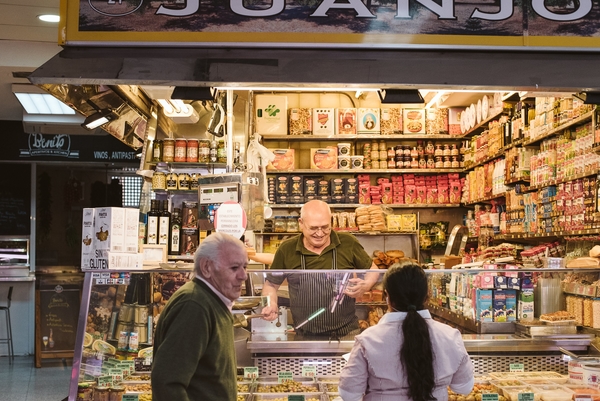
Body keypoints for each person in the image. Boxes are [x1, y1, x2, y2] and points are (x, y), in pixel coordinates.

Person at [339, 263, 474, 401]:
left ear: (387, 297)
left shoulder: (367, 340)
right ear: (427, 296)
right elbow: (464, 387)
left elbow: (349, 395)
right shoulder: (450, 335)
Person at [151, 232, 248, 401]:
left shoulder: (211, 301)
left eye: (245, 267)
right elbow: (168, 383)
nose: (243, 276)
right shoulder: (194, 306)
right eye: (234, 268)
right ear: (206, 268)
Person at [261, 200, 379, 337]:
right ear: (301, 223)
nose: (320, 233)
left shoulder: (348, 242)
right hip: (304, 333)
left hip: (347, 332)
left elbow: (373, 268)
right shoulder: (287, 249)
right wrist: (270, 303)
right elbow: (271, 284)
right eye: (313, 228)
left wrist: (367, 285)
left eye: (325, 227)